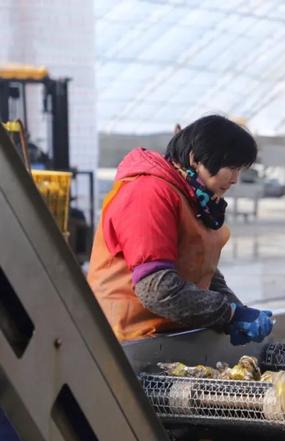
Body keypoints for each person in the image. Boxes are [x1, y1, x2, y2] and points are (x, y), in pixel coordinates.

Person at [87, 115, 274, 344]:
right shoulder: (148, 193)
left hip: (165, 337)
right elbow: (157, 290)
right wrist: (230, 314)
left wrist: (239, 312)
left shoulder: (196, 199)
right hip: (123, 341)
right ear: (195, 158)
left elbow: (202, 271)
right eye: (231, 167)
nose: (235, 179)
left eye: (240, 169)